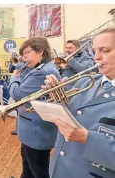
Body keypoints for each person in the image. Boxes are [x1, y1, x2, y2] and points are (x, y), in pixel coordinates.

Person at [44, 26, 115, 178]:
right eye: (95, 50)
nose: (96, 57)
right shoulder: (85, 82)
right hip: (59, 169)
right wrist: (58, 96)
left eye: (105, 50)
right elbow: (72, 115)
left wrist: (88, 139)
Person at [8, 37, 61, 178]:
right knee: (27, 167)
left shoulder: (42, 71)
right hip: (30, 129)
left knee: (38, 171)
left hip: (35, 132)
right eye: (23, 54)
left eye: (27, 53)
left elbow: (17, 93)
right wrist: (23, 68)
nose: (24, 58)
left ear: (40, 52)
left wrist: (14, 77)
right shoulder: (39, 67)